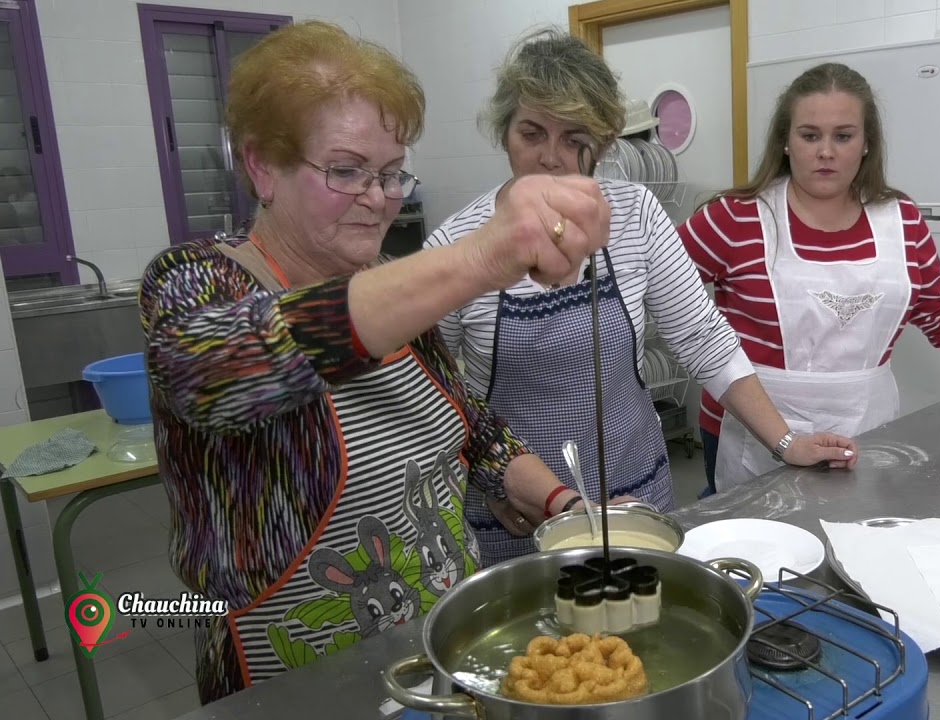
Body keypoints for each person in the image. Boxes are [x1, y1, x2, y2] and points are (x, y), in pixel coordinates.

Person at [139, 22, 612, 705]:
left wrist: (565, 506)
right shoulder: (195, 281)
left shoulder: (391, 281)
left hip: (438, 641)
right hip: (297, 671)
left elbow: (467, 427)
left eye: (391, 174)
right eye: (346, 170)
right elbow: (216, 375)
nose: (379, 197)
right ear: (263, 167)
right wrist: (481, 257)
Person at [425, 28, 858, 567]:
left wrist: (786, 442)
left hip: (634, 492)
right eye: (532, 133)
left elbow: (703, 339)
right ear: (505, 132)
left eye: (575, 137)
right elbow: (433, 400)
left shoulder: (635, 215)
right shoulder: (456, 245)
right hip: (518, 513)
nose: (551, 159)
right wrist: (493, 478)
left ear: (604, 142)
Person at [678, 62, 940, 496]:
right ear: (785, 143)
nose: (826, 151)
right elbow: (663, 295)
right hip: (754, 431)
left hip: (868, 427)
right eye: (810, 135)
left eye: (843, 136)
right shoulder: (734, 218)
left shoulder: (901, 222)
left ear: (866, 144)